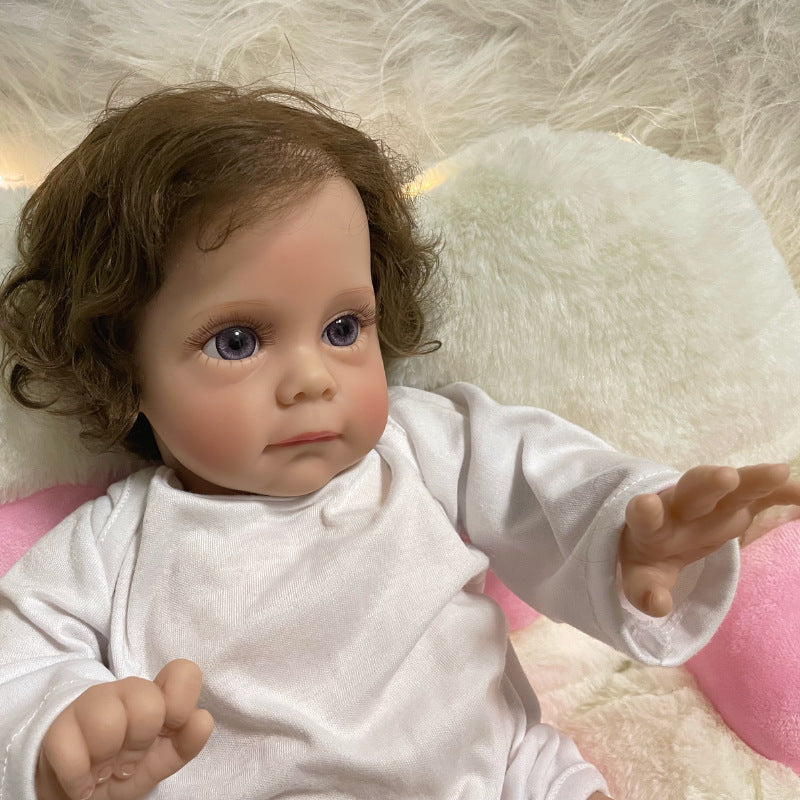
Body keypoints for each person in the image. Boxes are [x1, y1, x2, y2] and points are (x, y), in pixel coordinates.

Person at [0, 83, 797, 800]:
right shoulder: (112, 545)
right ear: (122, 366)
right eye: (238, 341)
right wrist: (61, 736)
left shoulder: (418, 447)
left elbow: (545, 486)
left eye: (343, 327)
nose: (312, 378)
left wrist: (631, 535)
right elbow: (18, 662)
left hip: (500, 775)